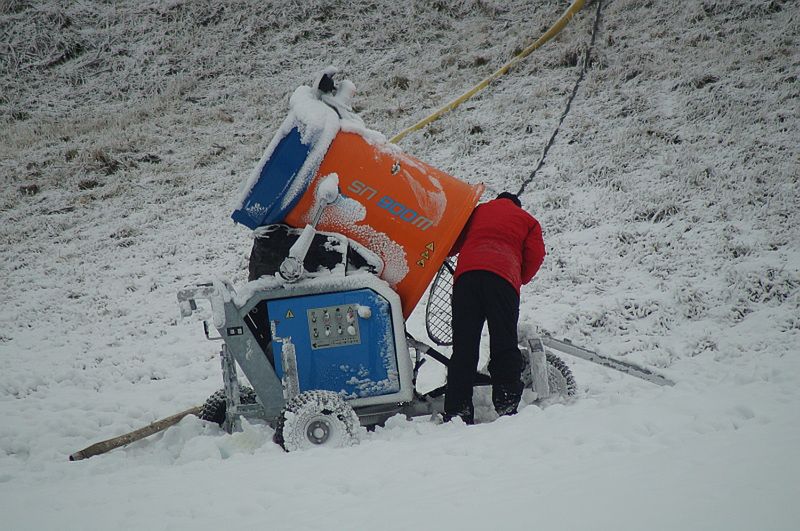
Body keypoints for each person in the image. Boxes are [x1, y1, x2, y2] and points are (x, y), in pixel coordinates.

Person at [444, 191, 546, 424]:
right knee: (504, 341)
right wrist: (519, 278)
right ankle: (506, 404)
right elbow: (536, 255)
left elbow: (452, 243)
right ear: (516, 205)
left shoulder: (478, 211)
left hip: (466, 280)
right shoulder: (528, 220)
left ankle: (457, 411)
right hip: (503, 279)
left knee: (464, 346)